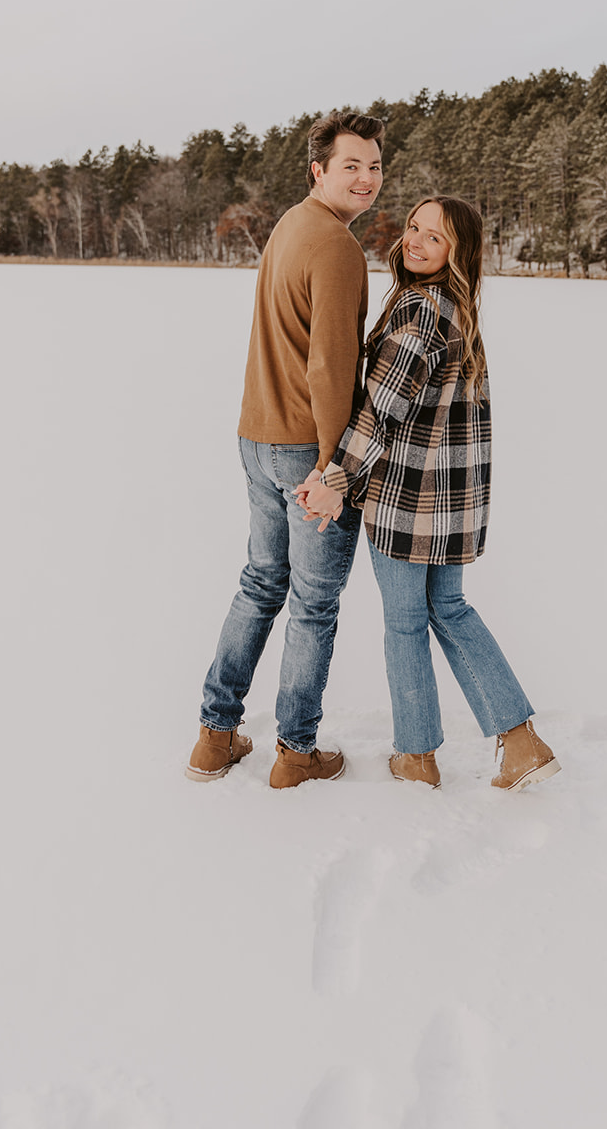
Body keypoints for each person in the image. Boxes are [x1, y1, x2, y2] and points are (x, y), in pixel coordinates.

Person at [297, 196, 560, 792]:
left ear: (457, 253)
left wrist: (334, 479)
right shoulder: (457, 308)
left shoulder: (419, 313)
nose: (415, 240)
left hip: (407, 499)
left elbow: (379, 412)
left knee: (405, 624)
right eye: (414, 227)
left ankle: (416, 757)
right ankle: (521, 741)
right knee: (450, 609)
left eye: (433, 238)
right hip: (454, 500)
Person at [186, 110, 385, 789]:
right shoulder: (333, 246)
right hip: (305, 448)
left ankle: (215, 737)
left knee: (262, 582)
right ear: (318, 170)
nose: (365, 178)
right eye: (350, 165)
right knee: (311, 603)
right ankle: (296, 752)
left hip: (257, 435)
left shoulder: (291, 224)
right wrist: (334, 469)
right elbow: (331, 368)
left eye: (375, 165)